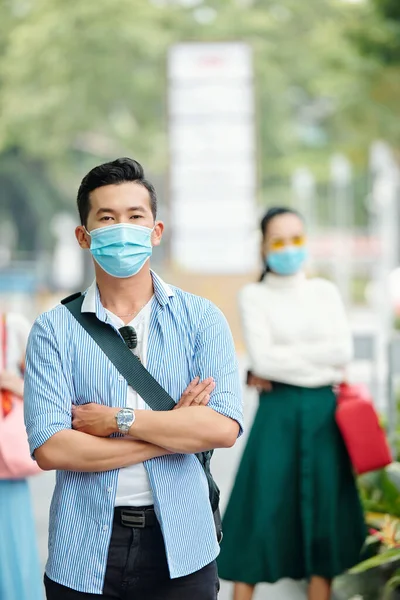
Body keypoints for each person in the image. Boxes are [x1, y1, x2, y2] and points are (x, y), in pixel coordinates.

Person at [24, 157, 243, 600]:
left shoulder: (202, 319)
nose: (121, 228)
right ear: (84, 237)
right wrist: (176, 431)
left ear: (155, 231)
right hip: (83, 549)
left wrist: (116, 421)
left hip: (184, 543)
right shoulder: (53, 329)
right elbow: (50, 448)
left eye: (134, 216)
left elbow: (220, 428)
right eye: (106, 218)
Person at [217, 207, 366, 600]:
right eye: (278, 241)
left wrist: (287, 361)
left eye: (296, 239)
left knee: (322, 518)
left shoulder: (325, 291)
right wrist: (314, 361)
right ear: (263, 248)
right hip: (277, 415)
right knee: (258, 509)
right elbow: (263, 360)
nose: (288, 248)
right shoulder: (253, 294)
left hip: (324, 414)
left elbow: (342, 351)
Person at [0, 312, 43, 600]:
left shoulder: (13, 326)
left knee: (11, 547)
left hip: (6, 471)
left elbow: (45, 388)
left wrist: (8, 382)